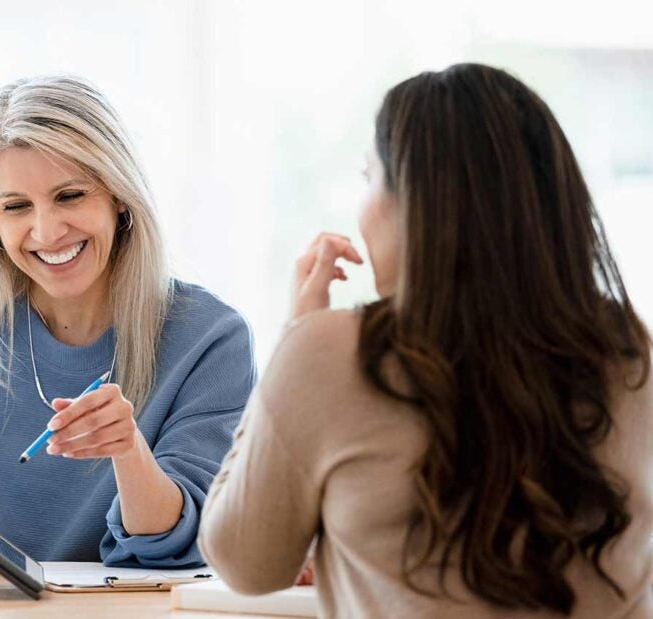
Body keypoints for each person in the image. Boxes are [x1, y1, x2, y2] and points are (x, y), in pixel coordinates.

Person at [199, 63, 652, 617]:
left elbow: (246, 563)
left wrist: (296, 338)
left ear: (412, 199)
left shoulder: (331, 353)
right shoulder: (628, 349)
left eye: (369, 177)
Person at [0, 75, 257, 570]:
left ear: (118, 195)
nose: (47, 232)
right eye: (16, 207)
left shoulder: (210, 339)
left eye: (70, 196)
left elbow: (182, 542)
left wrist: (129, 450)